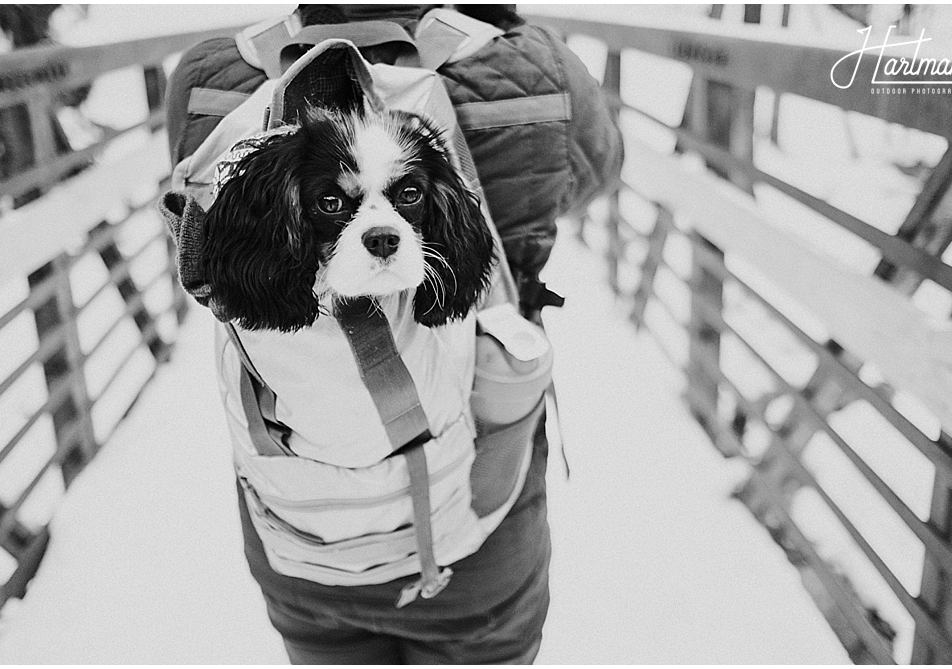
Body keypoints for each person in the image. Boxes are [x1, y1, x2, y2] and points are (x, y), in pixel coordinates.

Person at [165, 4, 622, 664]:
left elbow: (191, 249)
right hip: (477, 532)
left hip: (302, 540)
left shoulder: (209, 74)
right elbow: (596, 173)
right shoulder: (532, 59)